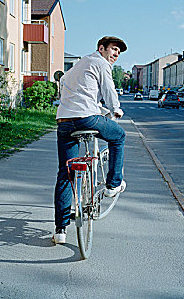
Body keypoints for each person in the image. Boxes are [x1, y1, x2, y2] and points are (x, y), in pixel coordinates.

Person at [53, 36, 127, 244]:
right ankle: (113, 184)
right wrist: (116, 110)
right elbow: (109, 91)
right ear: (101, 48)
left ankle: (60, 230)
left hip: (65, 120)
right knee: (119, 136)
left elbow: (68, 86)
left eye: (118, 53)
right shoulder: (100, 63)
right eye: (113, 49)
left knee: (64, 172)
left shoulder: (77, 66)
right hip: (87, 119)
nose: (115, 55)